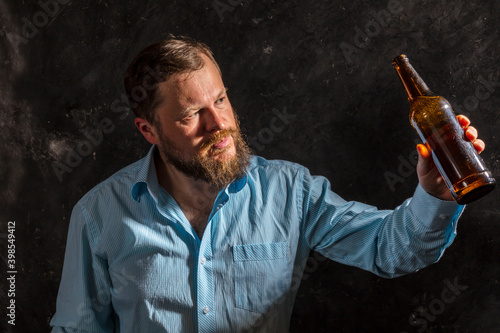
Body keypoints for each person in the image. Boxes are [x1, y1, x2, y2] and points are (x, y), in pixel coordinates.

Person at [50, 36, 485, 332]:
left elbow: (391, 249)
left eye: (220, 100)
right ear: (148, 130)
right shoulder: (98, 215)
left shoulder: (289, 191)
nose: (219, 124)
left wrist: (435, 194)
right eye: (191, 115)